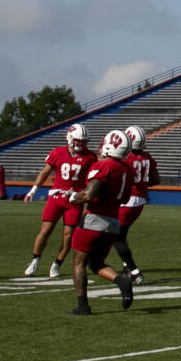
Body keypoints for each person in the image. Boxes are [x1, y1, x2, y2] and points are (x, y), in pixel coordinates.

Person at [65, 130, 137, 316]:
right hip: (113, 222)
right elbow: (125, 198)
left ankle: (83, 306)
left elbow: (89, 194)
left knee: (79, 263)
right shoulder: (127, 170)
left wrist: (74, 197)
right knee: (96, 263)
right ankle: (121, 281)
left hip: (94, 219)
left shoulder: (104, 166)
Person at [24, 123, 94, 278]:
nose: (81, 144)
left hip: (74, 200)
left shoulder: (90, 156)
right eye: (78, 141)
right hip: (56, 198)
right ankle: (35, 260)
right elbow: (45, 173)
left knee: (68, 235)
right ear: (70, 138)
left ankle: (57, 263)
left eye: (83, 141)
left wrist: (84, 195)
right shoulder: (57, 152)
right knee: (45, 230)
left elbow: (93, 180)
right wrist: (33, 190)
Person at [116, 125, 156, 283]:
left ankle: (134, 271)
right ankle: (127, 267)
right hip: (140, 201)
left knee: (116, 238)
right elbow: (155, 179)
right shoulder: (147, 157)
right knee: (122, 236)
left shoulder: (126, 158)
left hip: (127, 201)